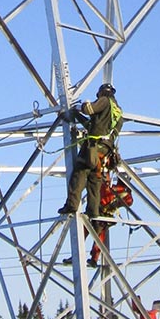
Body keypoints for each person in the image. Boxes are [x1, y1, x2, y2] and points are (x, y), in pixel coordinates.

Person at [59, 83, 122, 227]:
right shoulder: (118, 112)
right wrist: (76, 116)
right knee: (94, 179)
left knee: (79, 174)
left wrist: (81, 107)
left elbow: (89, 109)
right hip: (104, 151)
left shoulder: (105, 101)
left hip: (92, 147)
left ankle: (72, 205)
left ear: (101, 93)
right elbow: (93, 126)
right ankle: (93, 211)